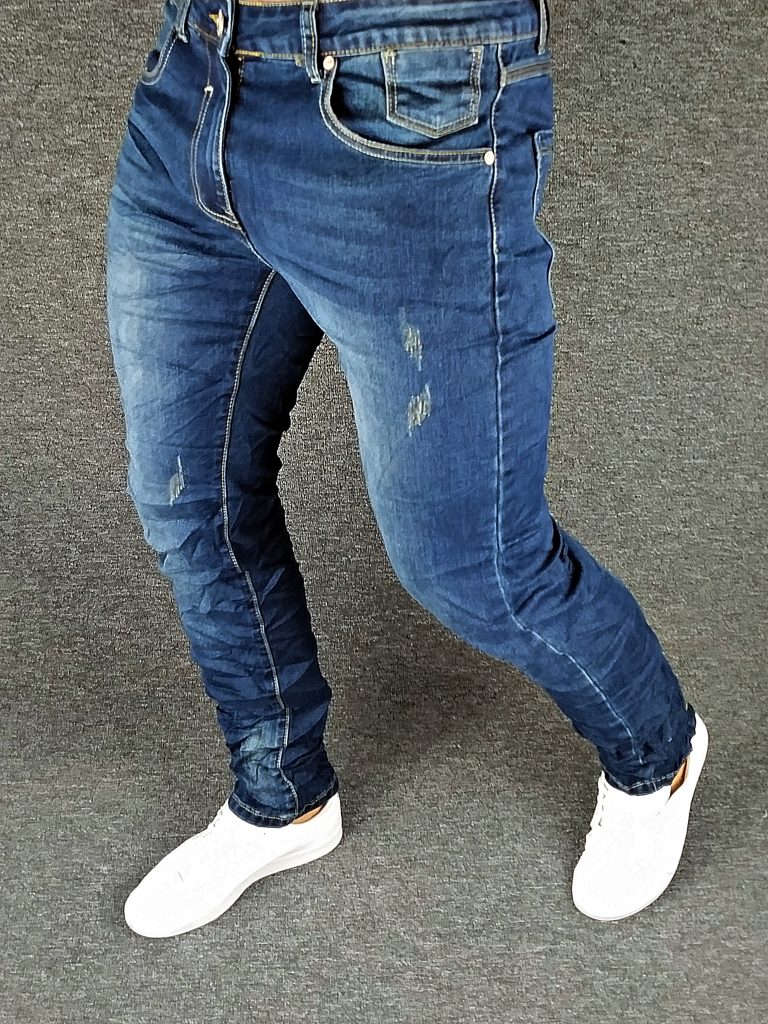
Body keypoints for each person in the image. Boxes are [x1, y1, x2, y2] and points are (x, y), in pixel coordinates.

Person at [105, 0, 708, 939]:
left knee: (472, 563)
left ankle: (656, 751)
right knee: (188, 499)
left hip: (407, 95)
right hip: (198, 78)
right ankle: (282, 797)